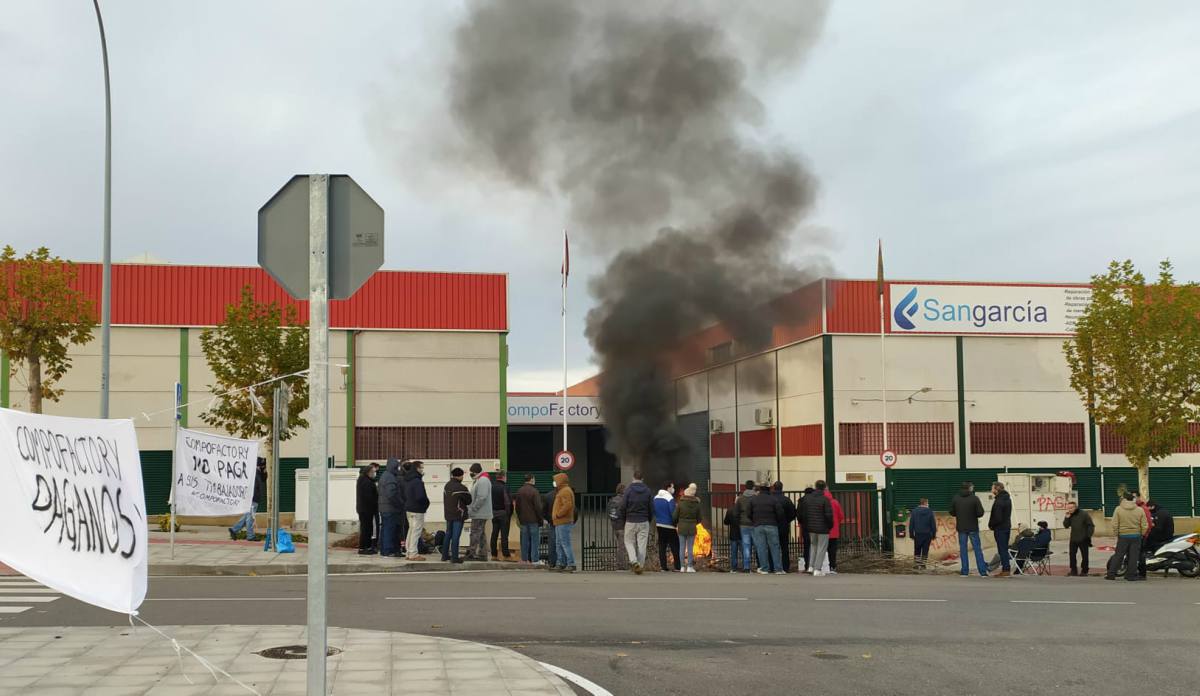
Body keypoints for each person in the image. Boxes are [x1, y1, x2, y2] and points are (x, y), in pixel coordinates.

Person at [950, 482, 988, 577]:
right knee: (977, 549)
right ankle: (982, 572)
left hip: (961, 527)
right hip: (973, 527)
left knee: (963, 550)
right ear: (969, 488)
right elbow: (980, 513)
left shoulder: (956, 498)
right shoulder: (974, 498)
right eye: (972, 487)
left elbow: (952, 512)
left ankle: (964, 571)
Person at [1106, 492, 1146, 581]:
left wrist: (1117, 533)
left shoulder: (1118, 509)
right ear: (1133, 499)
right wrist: (1142, 534)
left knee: (1118, 555)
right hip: (1136, 535)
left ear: (1124, 499)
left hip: (1123, 535)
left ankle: (1111, 574)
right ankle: (1131, 575)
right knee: (1133, 556)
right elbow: (1144, 524)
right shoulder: (1140, 510)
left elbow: (1114, 523)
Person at [621, 471, 654, 574]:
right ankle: (640, 565)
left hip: (630, 520)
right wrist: (648, 519)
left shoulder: (628, 490)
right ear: (642, 479)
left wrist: (624, 518)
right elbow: (651, 508)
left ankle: (634, 561)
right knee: (642, 544)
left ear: (633, 478)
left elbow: (623, 506)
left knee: (629, 542)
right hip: (644, 521)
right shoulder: (648, 491)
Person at [749, 483, 786, 575]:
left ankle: (764, 568)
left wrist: (754, 520)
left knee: (761, 547)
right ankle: (778, 569)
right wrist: (776, 521)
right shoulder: (773, 499)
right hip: (772, 525)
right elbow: (780, 513)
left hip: (758, 525)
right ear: (769, 489)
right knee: (774, 547)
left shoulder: (753, 499)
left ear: (760, 489)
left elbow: (748, 513)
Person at [800, 480, 834, 576]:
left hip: (811, 527)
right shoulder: (825, 500)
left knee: (813, 546)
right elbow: (829, 515)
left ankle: (811, 566)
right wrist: (829, 526)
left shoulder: (808, 499)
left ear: (815, 486)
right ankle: (817, 569)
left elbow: (804, 513)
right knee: (821, 548)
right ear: (824, 488)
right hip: (823, 528)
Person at [230, 458, 267, 541]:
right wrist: (251, 498)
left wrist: (264, 471)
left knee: (247, 516)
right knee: (250, 518)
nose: (263, 467)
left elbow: (264, 479)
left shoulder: (258, 473)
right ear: (258, 466)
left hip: (254, 498)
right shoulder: (254, 474)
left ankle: (234, 529)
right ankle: (250, 536)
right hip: (253, 499)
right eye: (262, 465)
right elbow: (253, 488)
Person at [440, 467, 471, 564]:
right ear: (461, 476)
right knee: (456, 536)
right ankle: (455, 557)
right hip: (458, 514)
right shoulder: (461, 488)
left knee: (448, 534)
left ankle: (444, 556)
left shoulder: (447, 485)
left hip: (448, 514)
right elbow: (469, 500)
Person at [402, 460, 430, 561]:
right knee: (416, 532)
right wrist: (427, 503)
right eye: (421, 467)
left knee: (411, 530)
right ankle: (413, 553)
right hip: (417, 509)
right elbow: (420, 497)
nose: (422, 470)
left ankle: (408, 552)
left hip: (409, 508)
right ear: (417, 468)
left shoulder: (408, 480)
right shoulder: (417, 481)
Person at [514, 473, 544, 566]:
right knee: (535, 541)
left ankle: (524, 559)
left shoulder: (519, 491)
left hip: (523, 520)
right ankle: (535, 560)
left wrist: (520, 517)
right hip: (533, 520)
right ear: (531, 480)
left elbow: (517, 507)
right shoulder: (535, 491)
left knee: (524, 541)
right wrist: (540, 520)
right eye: (534, 479)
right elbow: (538, 507)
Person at [465, 463, 492, 561]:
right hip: (481, 512)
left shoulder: (483, 481)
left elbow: (482, 497)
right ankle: (482, 554)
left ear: (475, 472)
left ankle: (471, 553)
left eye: (471, 472)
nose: (471, 474)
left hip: (479, 512)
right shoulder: (480, 480)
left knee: (475, 533)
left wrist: (473, 509)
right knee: (480, 534)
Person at [377, 458, 404, 557]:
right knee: (390, 530)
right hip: (391, 509)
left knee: (385, 529)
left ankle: (384, 550)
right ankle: (388, 550)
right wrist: (400, 503)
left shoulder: (384, 475)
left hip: (384, 508)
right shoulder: (390, 477)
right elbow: (391, 494)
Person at [673, 483, 703, 573]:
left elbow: (675, 516)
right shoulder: (697, 504)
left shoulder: (680, 503)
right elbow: (699, 518)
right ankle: (690, 567)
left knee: (682, 547)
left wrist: (677, 523)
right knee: (690, 548)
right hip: (692, 528)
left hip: (682, 527)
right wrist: (694, 522)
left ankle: (682, 567)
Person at [551, 473, 577, 572]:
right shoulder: (562, 490)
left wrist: (558, 514)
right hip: (559, 522)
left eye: (556, 480)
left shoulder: (565, 491)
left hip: (563, 521)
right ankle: (560, 563)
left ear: (560, 481)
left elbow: (567, 505)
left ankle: (571, 563)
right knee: (559, 543)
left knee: (565, 543)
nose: (554, 482)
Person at [1142, 500, 1174, 578]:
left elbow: (1158, 528)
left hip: (1164, 536)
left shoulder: (1160, 514)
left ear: (1152, 506)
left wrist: (1149, 531)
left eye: (1148, 507)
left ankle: (1153, 558)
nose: (1148, 509)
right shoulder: (1160, 512)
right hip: (1165, 534)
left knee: (1148, 541)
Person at [654, 483, 681, 572]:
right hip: (669, 526)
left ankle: (663, 567)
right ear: (668, 488)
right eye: (672, 487)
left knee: (662, 546)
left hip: (659, 525)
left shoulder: (656, 497)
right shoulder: (669, 498)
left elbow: (654, 511)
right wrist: (675, 523)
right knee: (675, 546)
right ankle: (677, 567)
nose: (673, 489)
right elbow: (673, 513)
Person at [988, 482, 1013, 577]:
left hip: (1000, 528)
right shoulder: (1007, 499)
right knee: (1004, 548)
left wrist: (991, 525)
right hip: (1007, 526)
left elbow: (997, 517)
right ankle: (1006, 568)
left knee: (1002, 549)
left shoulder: (999, 501)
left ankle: (1006, 569)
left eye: (992, 488)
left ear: (996, 489)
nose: (991, 490)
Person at [772, 482, 797, 573]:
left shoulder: (771, 499)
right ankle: (785, 567)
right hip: (784, 526)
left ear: (774, 488)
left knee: (772, 547)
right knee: (784, 548)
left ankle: (773, 566)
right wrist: (787, 520)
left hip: (772, 525)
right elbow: (793, 513)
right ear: (782, 488)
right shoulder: (786, 500)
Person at [1063, 501, 1094, 576]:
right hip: (1073, 538)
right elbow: (1066, 526)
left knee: (1085, 555)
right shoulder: (1070, 515)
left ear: (1075, 507)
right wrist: (1066, 518)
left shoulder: (1084, 514)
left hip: (1083, 538)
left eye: (1071, 508)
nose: (1069, 509)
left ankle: (1084, 570)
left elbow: (1091, 525)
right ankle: (1073, 570)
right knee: (1072, 555)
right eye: (1068, 508)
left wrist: (1088, 536)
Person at [355, 463, 379, 555]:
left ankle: (367, 547)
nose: (374, 473)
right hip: (366, 509)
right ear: (369, 472)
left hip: (364, 509)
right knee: (366, 529)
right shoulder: (366, 482)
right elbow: (369, 497)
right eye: (373, 472)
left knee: (367, 528)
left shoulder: (364, 480)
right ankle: (363, 548)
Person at [490, 470, 514, 561]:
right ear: (503, 477)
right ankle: (506, 555)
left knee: (494, 534)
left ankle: (494, 555)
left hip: (493, 513)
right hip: (503, 513)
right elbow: (507, 502)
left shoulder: (492, 486)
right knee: (504, 535)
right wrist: (509, 513)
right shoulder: (505, 487)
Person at [734, 481, 757, 573]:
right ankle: (760, 565)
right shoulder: (756, 498)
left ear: (745, 487)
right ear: (753, 487)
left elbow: (736, 512)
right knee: (758, 545)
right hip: (755, 524)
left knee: (746, 546)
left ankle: (746, 567)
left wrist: (739, 520)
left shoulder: (740, 499)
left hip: (743, 524)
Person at [909, 498, 936, 568]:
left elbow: (911, 524)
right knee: (925, 550)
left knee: (917, 550)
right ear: (925, 503)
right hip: (927, 534)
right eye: (927, 503)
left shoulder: (914, 511)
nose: (928, 504)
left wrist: (911, 534)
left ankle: (916, 565)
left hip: (918, 534)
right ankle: (923, 565)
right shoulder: (930, 511)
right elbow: (933, 524)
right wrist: (933, 535)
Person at [824, 488, 845, 575]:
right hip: (834, 530)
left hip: (822, 530)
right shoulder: (835, 502)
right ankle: (832, 567)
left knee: (822, 549)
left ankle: (823, 567)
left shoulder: (820, 502)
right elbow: (841, 516)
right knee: (832, 551)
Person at [608, 483, 628, 570]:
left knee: (620, 546)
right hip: (622, 526)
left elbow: (609, 512)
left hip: (615, 525)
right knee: (622, 547)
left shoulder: (612, 500)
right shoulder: (624, 501)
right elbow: (625, 513)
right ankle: (621, 565)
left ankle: (621, 563)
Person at [723, 494, 742, 572]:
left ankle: (733, 568)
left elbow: (726, 522)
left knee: (734, 552)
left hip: (733, 534)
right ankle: (746, 567)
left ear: (734, 501)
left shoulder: (730, 510)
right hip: (741, 534)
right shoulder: (743, 510)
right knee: (744, 551)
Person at [542, 483, 559, 569]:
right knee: (563, 542)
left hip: (552, 522)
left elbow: (543, 510)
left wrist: (547, 519)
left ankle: (552, 562)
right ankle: (562, 562)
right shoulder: (565, 494)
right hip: (562, 522)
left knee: (552, 543)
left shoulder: (547, 496)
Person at [799, 487, 815, 571]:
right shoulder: (815, 500)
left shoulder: (801, 500)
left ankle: (807, 565)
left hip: (805, 525)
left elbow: (798, 514)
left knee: (806, 545)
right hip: (815, 525)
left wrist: (801, 521)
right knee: (815, 545)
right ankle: (815, 565)